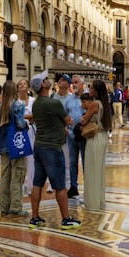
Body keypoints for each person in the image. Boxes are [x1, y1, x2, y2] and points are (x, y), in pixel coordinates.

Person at [28, 70, 80, 230]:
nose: (48, 80)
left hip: (39, 146)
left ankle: (35, 217)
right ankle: (66, 219)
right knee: (59, 185)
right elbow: (69, 120)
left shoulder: (36, 103)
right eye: (45, 79)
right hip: (52, 147)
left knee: (37, 182)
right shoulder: (54, 103)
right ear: (43, 85)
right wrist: (63, 124)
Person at [0, 81, 28, 215]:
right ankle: (16, 207)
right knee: (17, 175)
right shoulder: (18, 105)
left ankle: (3, 207)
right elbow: (20, 124)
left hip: (3, 145)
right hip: (16, 144)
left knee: (5, 176)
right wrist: (27, 123)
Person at [81, 80, 112, 210]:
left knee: (91, 170)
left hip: (94, 138)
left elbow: (84, 120)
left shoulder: (94, 104)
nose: (90, 90)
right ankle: (99, 200)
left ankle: (92, 203)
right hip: (102, 136)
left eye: (92, 88)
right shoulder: (104, 103)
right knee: (99, 169)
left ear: (97, 91)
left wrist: (82, 113)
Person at [18, 79, 37, 194]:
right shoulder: (15, 101)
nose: (22, 85)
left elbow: (36, 115)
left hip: (31, 131)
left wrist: (25, 117)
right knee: (20, 159)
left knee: (31, 159)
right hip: (19, 132)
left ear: (28, 87)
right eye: (20, 84)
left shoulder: (33, 101)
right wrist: (28, 117)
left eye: (24, 83)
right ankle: (19, 185)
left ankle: (31, 186)